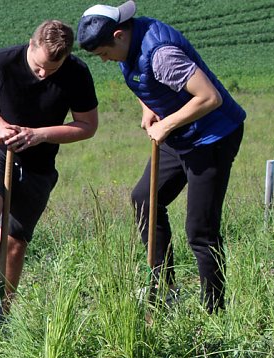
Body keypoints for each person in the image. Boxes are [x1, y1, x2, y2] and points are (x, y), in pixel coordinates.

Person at [77, 1, 246, 313]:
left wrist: (166, 123)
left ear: (117, 35)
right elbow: (143, 81)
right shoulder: (127, 44)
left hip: (212, 137)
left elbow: (209, 97)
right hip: (178, 133)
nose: (103, 60)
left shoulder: (161, 55)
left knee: (200, 230)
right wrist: (149, 107)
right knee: (145, 199)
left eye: (102, 53)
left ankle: (214, 311)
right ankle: (165, 288)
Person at [0, 20, 99, 322]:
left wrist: (40, 134)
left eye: (52, 70)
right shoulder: (2, 61)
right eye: (39, 67)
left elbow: (87, 126)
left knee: (15, 242)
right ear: (30, 46)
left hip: (39, 161)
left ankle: (1, 315)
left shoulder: (77, 73)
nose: (44, 74)